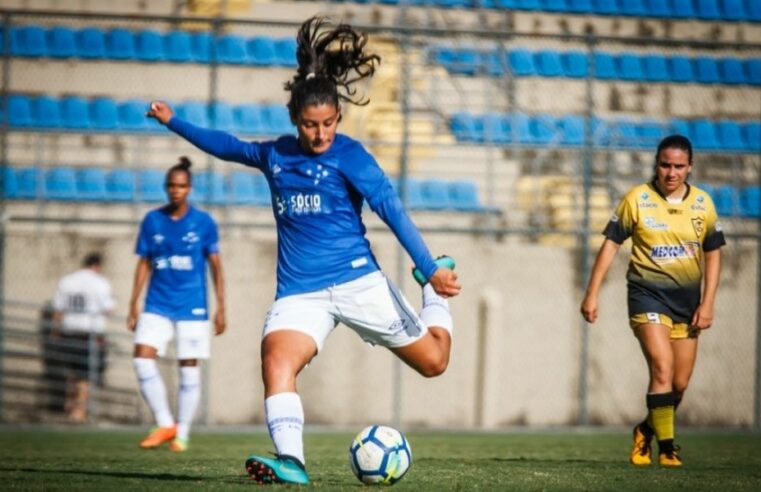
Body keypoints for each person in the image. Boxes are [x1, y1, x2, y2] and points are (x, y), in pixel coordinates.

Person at [147, 16, 460, 485]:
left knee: (435, 363)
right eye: (311, 126)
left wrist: (430, 269)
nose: (321, 135)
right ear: (296, 120)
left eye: (329, 124)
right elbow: (227, 146)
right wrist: (175, 123)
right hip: (300, 292)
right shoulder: (276, 155)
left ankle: (430, 298)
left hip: (359, 282)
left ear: (338, 117)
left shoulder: (350, 155)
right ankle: (292, 460)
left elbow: (390, 208)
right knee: (275, 359)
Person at [581, 134, 725, 468]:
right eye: (664, 165)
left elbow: (714, 253)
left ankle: (645, 429)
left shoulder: (703, 203)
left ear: (690, 167)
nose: (671, 172)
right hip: (646, 296)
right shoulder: (638, 199)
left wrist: (708, 302)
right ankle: (669, 448)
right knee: (661, 367)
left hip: (687, 303)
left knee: (678, 384)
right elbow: (611, 245)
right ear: (656, 165)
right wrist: (592, 293)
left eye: (678, 166)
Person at [127, 156, 226, 453]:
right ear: (166, 187)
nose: (176, 190)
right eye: (171, 185)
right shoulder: (152, 220)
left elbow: (216, 266)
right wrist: (133, 303)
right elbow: (144, 262)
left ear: (190, 188)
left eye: (181, 186)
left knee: (188, 368)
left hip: (192, 306)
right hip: (157, 303)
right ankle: (165, 421)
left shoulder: (204, 223)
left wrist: (222, 306)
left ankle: (181, 433)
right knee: (142, 358)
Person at [51, 252, 115, 423]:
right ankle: (79, 411)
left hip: (69, 331)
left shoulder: (67, 281)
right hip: (90, 333)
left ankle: (71, 405)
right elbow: (109, 309)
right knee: (85, 375)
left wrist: (55, 331)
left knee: (73, 372)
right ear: (97, 265)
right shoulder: (100, 283)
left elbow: (58, 309)